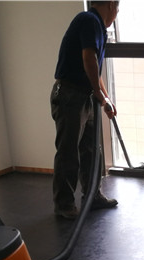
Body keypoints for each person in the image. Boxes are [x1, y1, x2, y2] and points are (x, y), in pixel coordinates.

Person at [51, 1, 120, 219]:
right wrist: (99, 94)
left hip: (84, 95)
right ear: (111, 5)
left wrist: (105, 98)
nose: (116, 15)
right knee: (68, 152)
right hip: (70, 95)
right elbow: (88, 58)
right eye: (118, 10)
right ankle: (64, 204)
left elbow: (95, 69)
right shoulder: (89, 20)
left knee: (91, 149)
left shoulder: (96, 25)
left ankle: (93, 196)